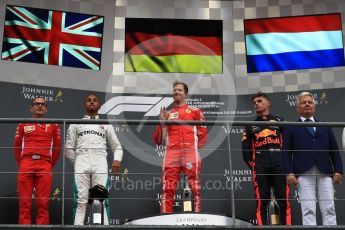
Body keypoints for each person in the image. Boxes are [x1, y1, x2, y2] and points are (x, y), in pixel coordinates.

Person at [283, 92, 343, 225]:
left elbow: (334, 149)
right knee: (308, 209)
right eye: (303, 102)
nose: (307, 104)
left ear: (314, 107)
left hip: (325, 171)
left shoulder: (324, 126)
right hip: (303, 172)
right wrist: (289, 172)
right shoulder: (291, 127)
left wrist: (338, 170)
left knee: (329, 208)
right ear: (298, 108)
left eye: (310, 102)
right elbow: (286, 153)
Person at [65, 94, 123, 225]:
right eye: (89, 100)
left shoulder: (106, 124)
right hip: (81, 160)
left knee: (101, 200)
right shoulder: (76, 124)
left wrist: (117, 160)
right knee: (80, 201)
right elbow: (68, 148)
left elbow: (117, 146)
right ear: (84, 104)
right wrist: (79, 161)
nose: (92, 102)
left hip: (100, 161)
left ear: (99, 105)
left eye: (95, 100)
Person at [154, 81, 207, 213]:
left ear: (186, 94)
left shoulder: (195, 111)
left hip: (190, 152)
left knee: (194, 185)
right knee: (168, 187)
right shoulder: (167, 114)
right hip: (171, 153)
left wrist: (194, 150)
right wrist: (162, 123)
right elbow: (158, 140)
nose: (176, 92)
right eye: (175, 90)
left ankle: (197, 214)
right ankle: (166, 216)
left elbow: (203, 134)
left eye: (180, 90)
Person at [242, 91, 291, 225]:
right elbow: (245, 151)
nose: (256, 104)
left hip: (279, 164)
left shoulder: (280, 121)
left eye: (259, 101)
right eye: (254, 103)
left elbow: (289, 144)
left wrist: (286, 163)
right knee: (261, 203)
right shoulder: (250, 126)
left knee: (284, 201)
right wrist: (254, 165)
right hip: (260, 166)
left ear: (268, 103)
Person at [14, 97, 61, 224]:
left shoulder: (53, 125)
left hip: (45, 164)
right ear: (31, 107)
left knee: (43, 203)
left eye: (42, 104)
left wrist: (48, 164)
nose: (39, 106)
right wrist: (23, 163)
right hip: (26, 163)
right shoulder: (22, 123)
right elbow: (17, 147)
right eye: (36, 104)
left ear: (46, 108)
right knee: (24, 204)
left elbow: (57, 149)